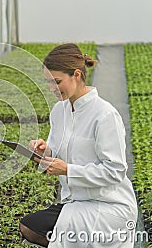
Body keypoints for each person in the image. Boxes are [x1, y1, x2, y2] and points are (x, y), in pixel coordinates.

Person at [19, 43, 138, 247]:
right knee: (29, 226)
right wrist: (44, 151)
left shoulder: (105, 115)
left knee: (35, 229)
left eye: (56, 82)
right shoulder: (59, 111)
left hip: (109, 205)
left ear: (76, 74)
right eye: (48, 82)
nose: (51, 89)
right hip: (75, 201)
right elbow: (60, 152)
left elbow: (115, 171)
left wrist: (68, 170)